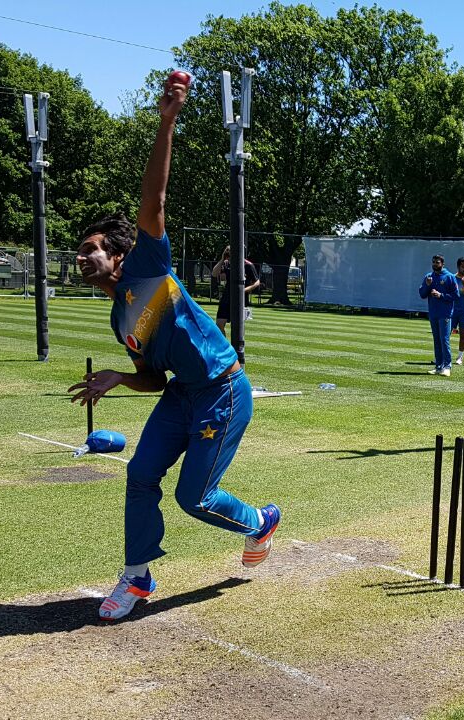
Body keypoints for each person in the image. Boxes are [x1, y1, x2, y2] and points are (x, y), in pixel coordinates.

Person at [70, 74, 281, 622]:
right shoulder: (121, 319)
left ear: (118, 256)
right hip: (181, 395)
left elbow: (154, 198)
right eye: (79, 252)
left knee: (196, 499)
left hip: (222, 390)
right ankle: (136, 577)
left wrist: (167, 122)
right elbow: (155, 379)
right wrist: (120, 376)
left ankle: (260, 521)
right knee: (140, 475)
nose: (82, 257)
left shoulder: (147, 264)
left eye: (91, 250)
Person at [418, 254, 459, 376]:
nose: (435, 264)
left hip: (445, 313)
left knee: (444, 339)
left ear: (443, 264)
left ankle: (447, 366)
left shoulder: (450, 277)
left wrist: (441, 295)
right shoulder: (428, 277)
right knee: (436, 340)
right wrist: (427, 285)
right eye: (433, 262)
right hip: (433, 313)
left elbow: (456, 296)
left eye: (437, 262)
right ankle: (438, 366)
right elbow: (422, 294)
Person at [213, 245, 262, 334]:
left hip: (240, 299)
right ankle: (226, 347)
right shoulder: (226, 263)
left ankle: (237, 347)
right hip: (226, 297)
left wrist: (244, 290)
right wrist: (222, 259)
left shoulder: (248, 265)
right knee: (219, 325)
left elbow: (257, 282)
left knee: (237, 327)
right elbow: (214, 273)